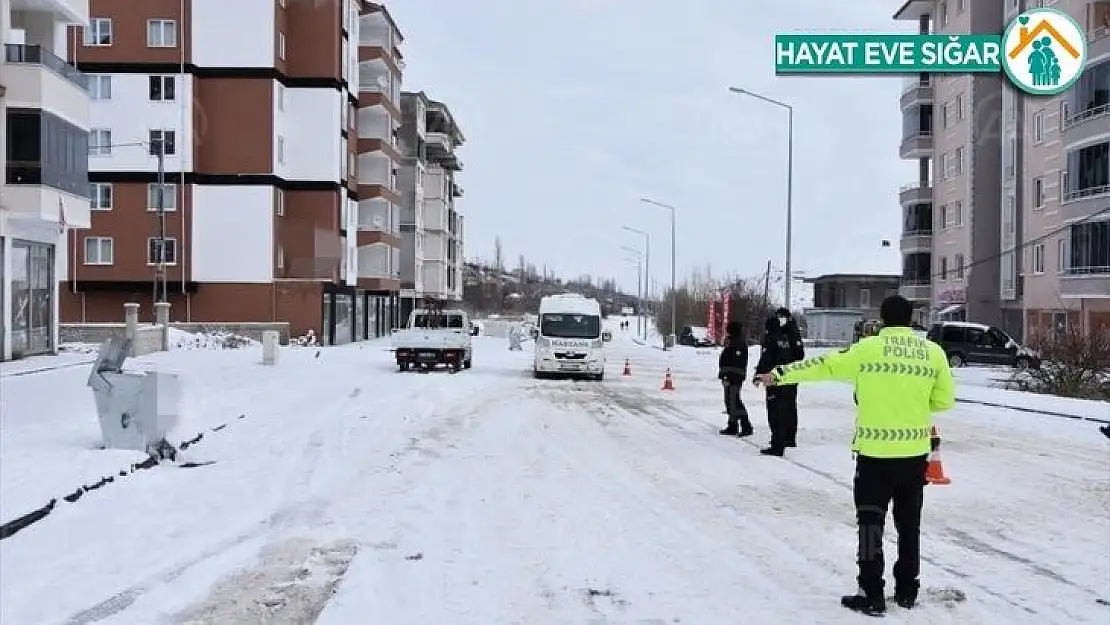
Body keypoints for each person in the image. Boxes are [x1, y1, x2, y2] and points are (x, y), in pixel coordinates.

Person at [755, 295, 956, 615]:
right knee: (909, 526)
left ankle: (871, 594)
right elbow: (944, 402)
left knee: (870, 525)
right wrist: (913, 404)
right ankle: (907, 591)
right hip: (913, 457)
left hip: (874, 458)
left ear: (883, 319)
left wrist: (777, 374)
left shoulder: (866, 350)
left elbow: (822, 366)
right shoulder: (933, 353)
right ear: (911, 319)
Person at [752, 307, 805, 455]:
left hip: (775, 379)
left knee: (776, 411)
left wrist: (758, 375)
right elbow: (798, 355)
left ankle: (778, 443)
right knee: (788, 408)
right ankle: (788, 437)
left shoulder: (776, 338)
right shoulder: (790, 335)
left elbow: (766, 359)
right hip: (791, 377)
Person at [717, 321, 753, 436]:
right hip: (730, 376)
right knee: (729, 401)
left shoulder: (738, 343)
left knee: (734, 401)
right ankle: (732, 424)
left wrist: (727, 375)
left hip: (734, 377)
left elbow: (735, 362)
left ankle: (746, 425)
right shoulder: (732, 341)